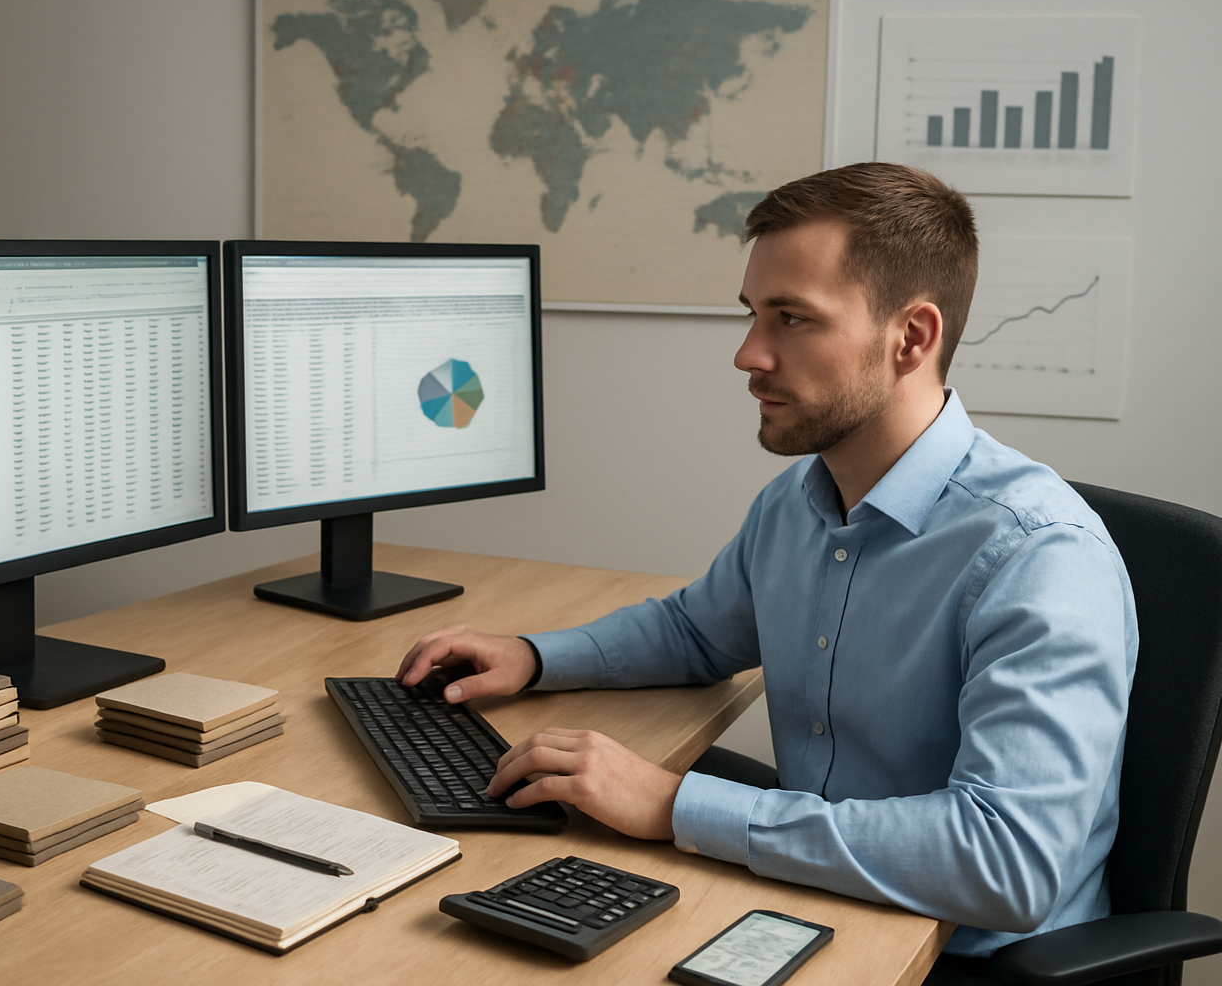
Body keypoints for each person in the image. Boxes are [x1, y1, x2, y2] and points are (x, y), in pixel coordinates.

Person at [396, 162, 1138, 977]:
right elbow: (694, 632)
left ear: (912, 338)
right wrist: (535, 656)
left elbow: (1006, 864)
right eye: (753, 314)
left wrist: (676, 803)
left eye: (792, 319)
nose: (749, 354)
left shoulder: (1041, 557)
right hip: (811, 899)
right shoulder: (799, 500)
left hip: (958, 955)